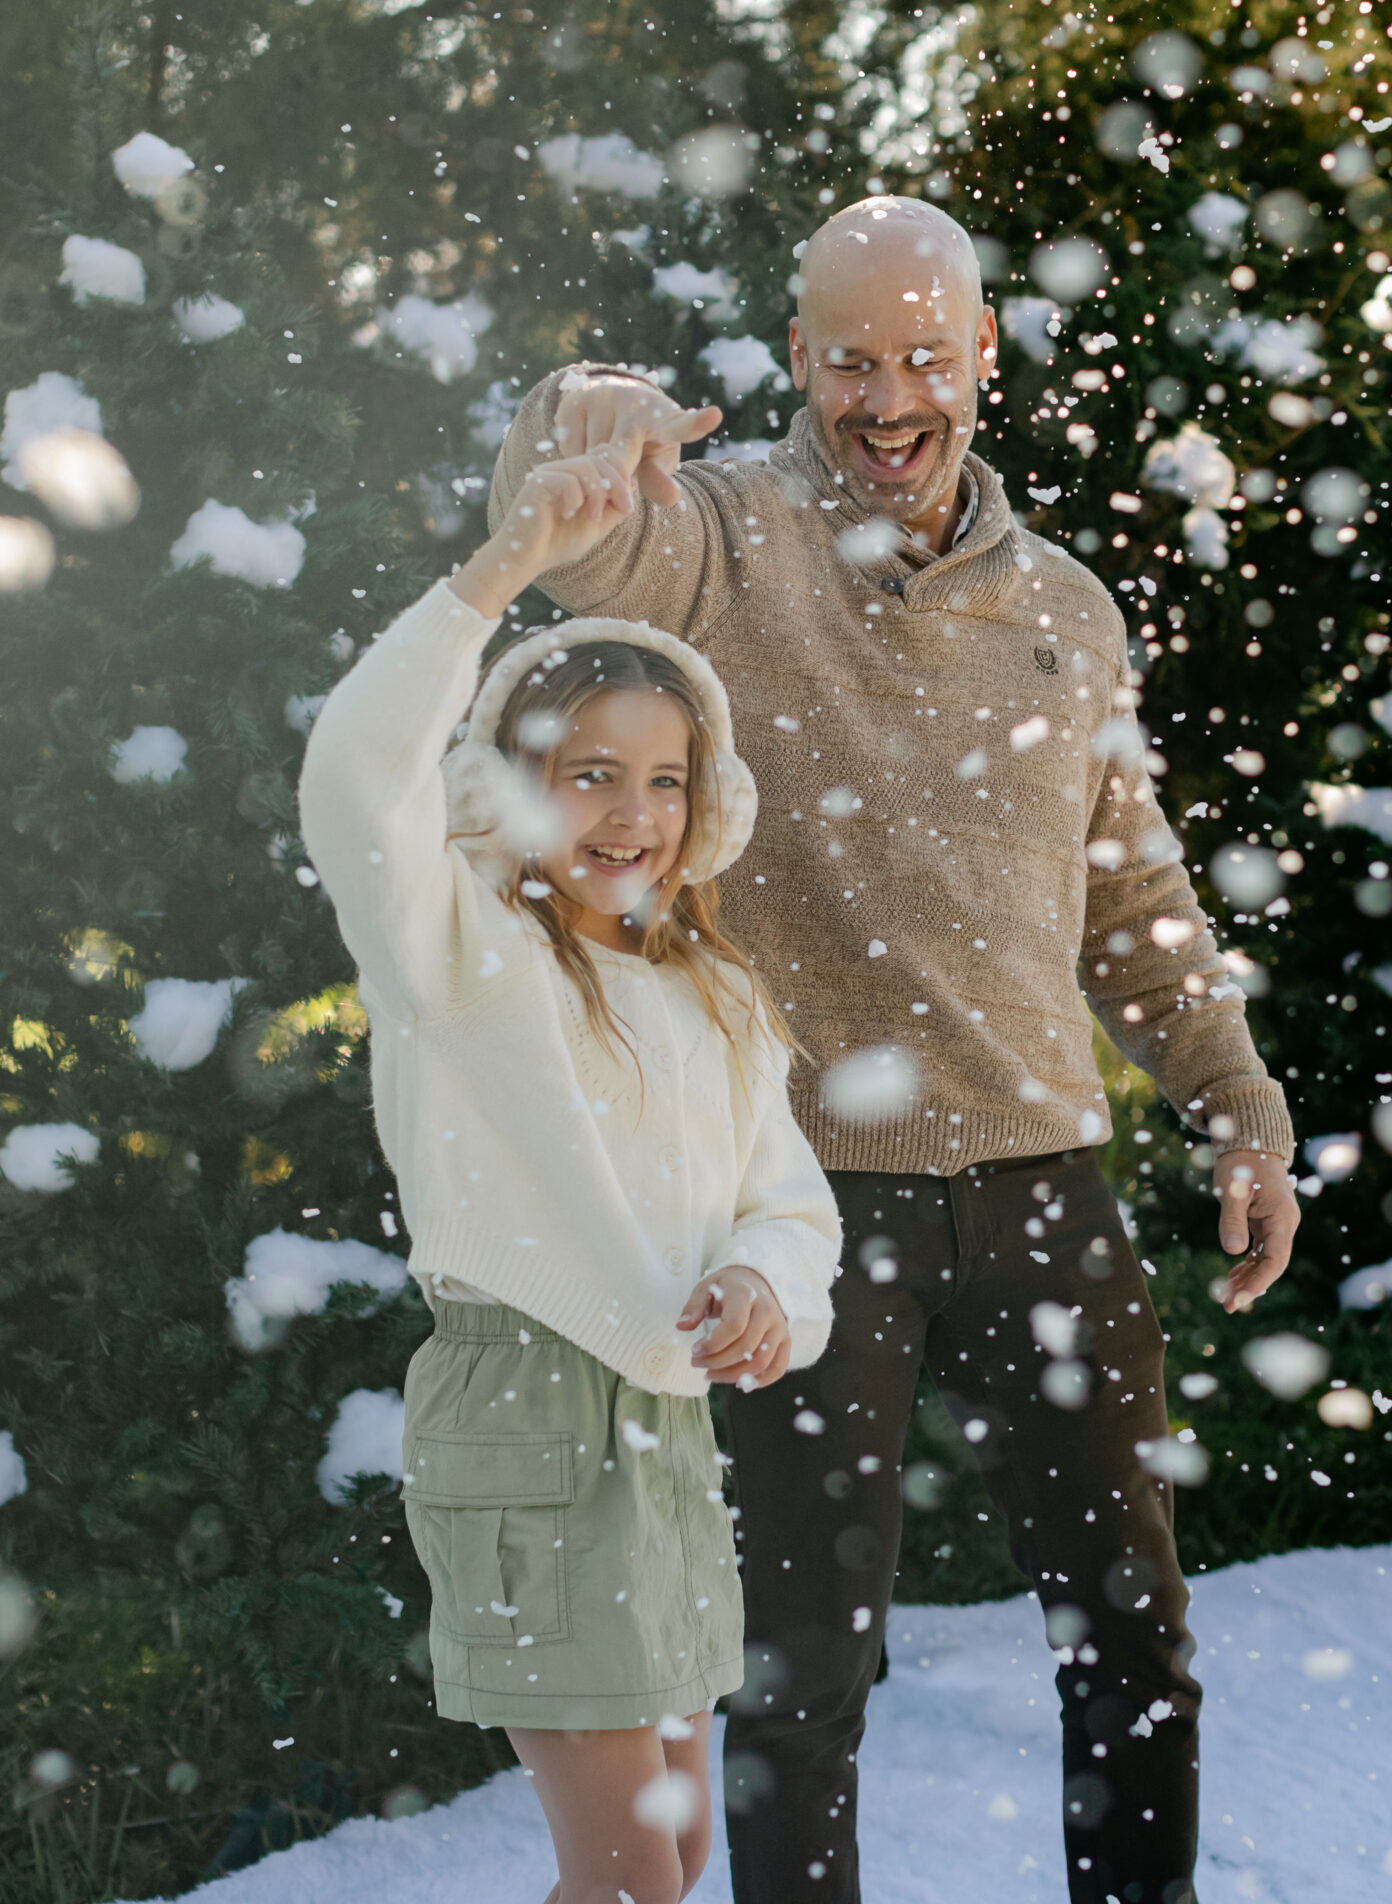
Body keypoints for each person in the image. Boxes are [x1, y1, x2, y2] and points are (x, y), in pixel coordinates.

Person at [486, 195, 1301, 1904]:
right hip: (802, 1212)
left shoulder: (1066, 610)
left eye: (925, 355)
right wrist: (582, 415)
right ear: (798, 359)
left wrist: (1233, 1096)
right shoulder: (715, 541)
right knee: (802, 1686)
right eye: (850, 358)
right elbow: (564, 535)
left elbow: (1133, 893)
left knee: (1135, 1657)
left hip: (1045, 1191)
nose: (886, 395)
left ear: (986, 359)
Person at [298, 439, 842, 1904]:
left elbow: (787, 1200)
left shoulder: (712, 991)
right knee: (632, 1884)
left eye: (664, 779)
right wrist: (498, 576)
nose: (633, 814)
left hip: (666, 1433)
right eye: (589, 774)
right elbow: (356, 779)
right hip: (527, 1419)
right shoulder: (461, 955)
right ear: (515, 782)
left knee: (668, 1860)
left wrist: (762, 1281)